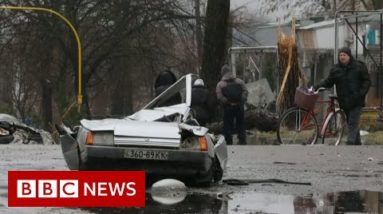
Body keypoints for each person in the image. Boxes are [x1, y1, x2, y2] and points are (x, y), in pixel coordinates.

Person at [314, 47, 371, 145]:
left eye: (344, 55)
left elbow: (367, 81)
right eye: (340, 55)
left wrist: (361, 93)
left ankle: (351, 142)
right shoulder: (336, 69)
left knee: (353, 121)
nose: (342, 57)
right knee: (351, 121)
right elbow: (329, 82)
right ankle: (357, 142)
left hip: (357, 100)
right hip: (344, 101)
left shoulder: (359, 66)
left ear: (349, 56)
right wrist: (316, 87)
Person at [216, 65, 248, 145]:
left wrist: (226, 102)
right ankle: (242, 140)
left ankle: (228, 141)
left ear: (222, 73)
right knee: (240, 123)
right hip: (239, 106)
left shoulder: (220, 84)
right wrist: (241, 100)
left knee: (227, 124)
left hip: (227, 107)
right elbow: (245, 91)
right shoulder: (240, 81)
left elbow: (219, 96)